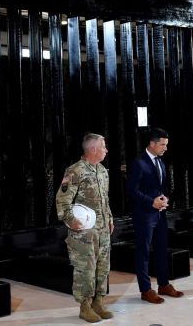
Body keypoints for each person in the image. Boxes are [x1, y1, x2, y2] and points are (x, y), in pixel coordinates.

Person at [55, 133, 115, 323]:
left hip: (103, 230)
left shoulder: (103, 171)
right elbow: (62, 200)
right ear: (93, 149)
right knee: (85, 270)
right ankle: (85, 306)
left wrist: (110, 219)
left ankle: (99, 301)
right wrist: (71, 220)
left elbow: (105, 200)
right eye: (103, 147)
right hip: (84, 233)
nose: (106, 150)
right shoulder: (75, 171)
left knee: (103, 268)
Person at [126, 127, 184, 304]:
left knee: (161, 249)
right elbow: (131, 190)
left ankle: (163, 284)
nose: (165, 148)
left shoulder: (161, 162)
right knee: (143, 253)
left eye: (166, 145)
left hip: (160, 214)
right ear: (151, 143)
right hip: (144, 214)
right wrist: (151, 202)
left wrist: (165, 198)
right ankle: (145, 290)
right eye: (162, 144)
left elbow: (161, 187)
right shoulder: (138, 163)